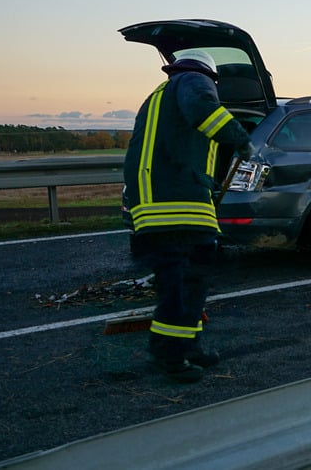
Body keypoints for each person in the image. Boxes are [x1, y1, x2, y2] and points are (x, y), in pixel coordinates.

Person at [123, 50, 254, 382]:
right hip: (176, 206)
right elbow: (203, 112)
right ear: (212, 77)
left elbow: (177, 147)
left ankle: (188, 346)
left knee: (189, 281)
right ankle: (169, 357)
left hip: (158, 205)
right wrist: (239, 138)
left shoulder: (159, 96)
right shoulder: (194, 81)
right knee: (182, 283)